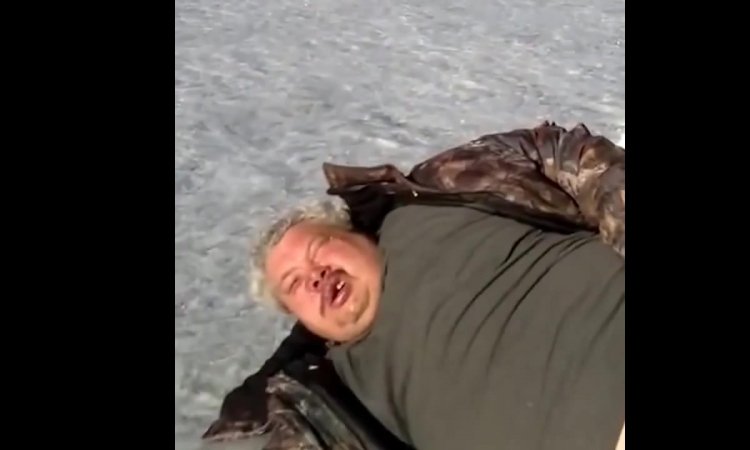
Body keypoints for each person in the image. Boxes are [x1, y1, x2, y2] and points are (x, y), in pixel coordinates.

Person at [203, 120, 625, 450]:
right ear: (298, 319)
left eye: (320, 248)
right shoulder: (327, 394)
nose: (314, 275)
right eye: (294, 283)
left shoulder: (430, 199)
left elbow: (559, 152)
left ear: (355, 232)